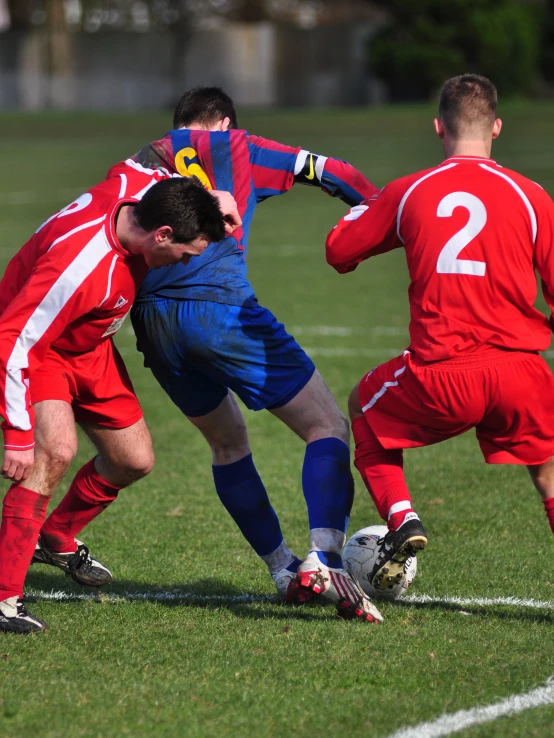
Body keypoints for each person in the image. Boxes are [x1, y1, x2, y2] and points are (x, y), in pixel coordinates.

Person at [35, 87, 384, 623]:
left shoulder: (144, 158)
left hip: (154, 327)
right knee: (327, 428)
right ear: (223, 122)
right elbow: (330, 170)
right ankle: (325, 558)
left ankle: (281, 569)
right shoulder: (239, 145)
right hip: (220, 311)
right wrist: (375, 213)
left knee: (227, 443)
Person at [326, 73, 554, 592]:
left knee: (363, 405)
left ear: (438, 128)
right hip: (521, 371)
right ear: (496, 127)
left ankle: (402, 516)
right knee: (546, 476)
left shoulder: (410, 191)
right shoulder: (533, 196)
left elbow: (338, 250)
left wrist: (375, 207)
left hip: (442, 376)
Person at [0, 170, 237, 634]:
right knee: (53, 454)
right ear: (163, 233)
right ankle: (4, 597)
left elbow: (168, 159)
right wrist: (17, 434)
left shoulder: (142, 192)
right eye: (182, 253)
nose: (180, 262)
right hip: (40, 350)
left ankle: (57, 536)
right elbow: (12, 340)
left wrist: (214, 200)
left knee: (134, 459)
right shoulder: (80, 266)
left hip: (91, 348)